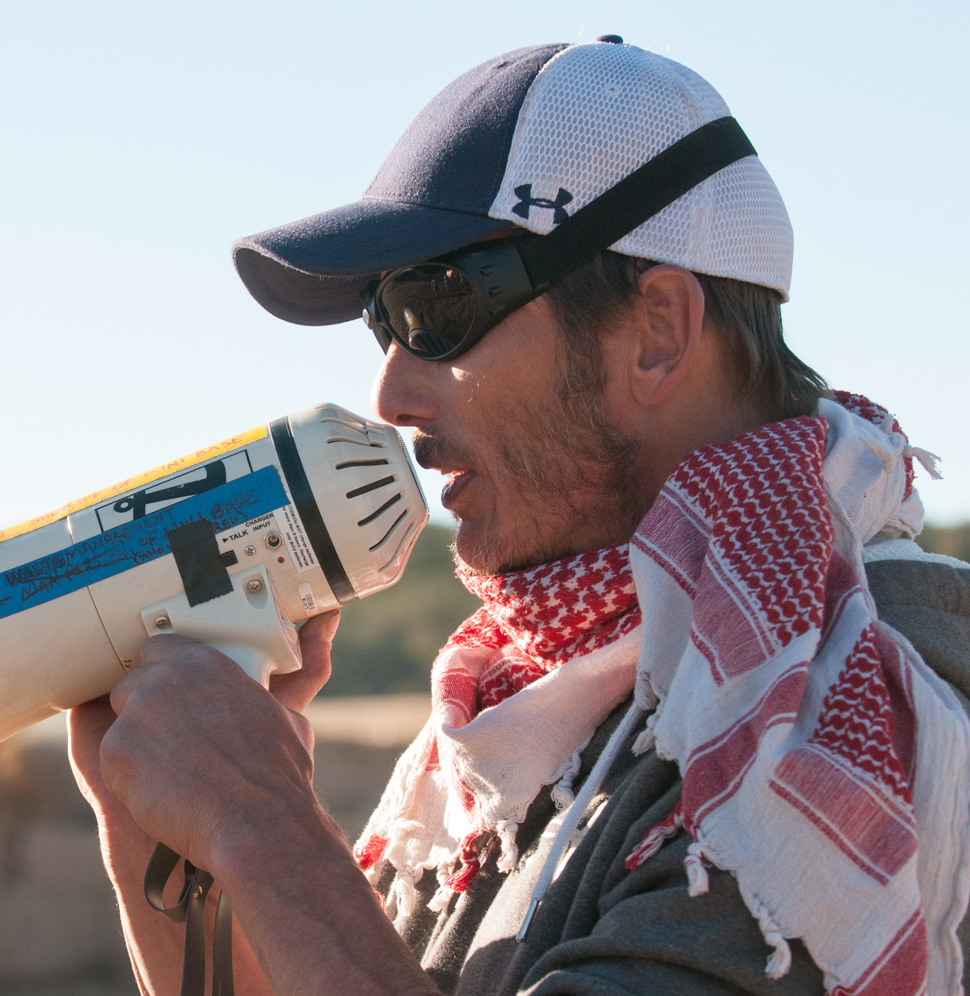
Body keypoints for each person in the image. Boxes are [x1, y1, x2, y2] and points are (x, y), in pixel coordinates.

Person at [69, 38, 970, 996]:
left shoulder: (848, 696)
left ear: (657, 332)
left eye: (437, 307)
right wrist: (169, 827)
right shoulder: (525, 723)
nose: (389, 392)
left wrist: (262, 823)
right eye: (382, 322)